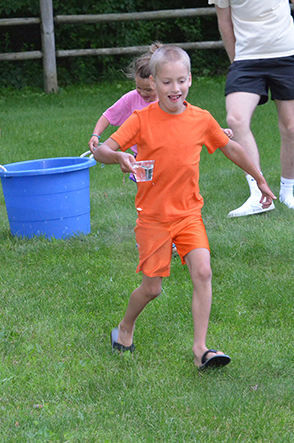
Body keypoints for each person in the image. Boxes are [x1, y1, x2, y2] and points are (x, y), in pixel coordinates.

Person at [93, 45, 276, 370]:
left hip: (189, 215)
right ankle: (124, 327)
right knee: (152, 288)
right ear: (155, 83)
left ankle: (201, 350)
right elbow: (102, 150)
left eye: (180, 81)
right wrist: (119, 156)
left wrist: (259, 178)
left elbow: (230, 147)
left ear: (190, 80)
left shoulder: (200, 119)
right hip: (154, 218)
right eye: (166, 83)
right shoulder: (141, 120)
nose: (174, 89)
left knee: (203, 272)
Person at [208, 0, 294, 217]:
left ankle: (288, 191)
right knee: (236, 120)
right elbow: (224, 22)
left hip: (287, 53)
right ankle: (258, 193)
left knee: (291, 127)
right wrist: (235, 61)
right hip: (246, 59)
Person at [88, 43, 160, 156]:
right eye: (139, 87)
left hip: (163, 156)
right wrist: (95, 135)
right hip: (140, 157)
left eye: (148, 89)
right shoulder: (132, 98)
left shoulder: (167, 100)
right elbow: (109, 115)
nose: (142, 93)